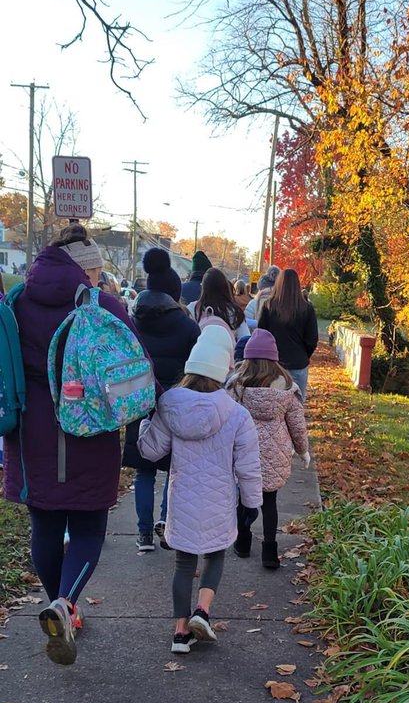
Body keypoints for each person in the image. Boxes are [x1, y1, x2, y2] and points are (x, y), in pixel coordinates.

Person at [2, 224, 152, 666]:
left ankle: (58, 604)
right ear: (87, 269)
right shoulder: (101, 305)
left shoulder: (15, 304)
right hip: (86, 430)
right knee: (88, 530)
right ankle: (65, 605)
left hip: (28, 436)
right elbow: (130, 361)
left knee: (44, 527)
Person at [138, 325, 262, 654]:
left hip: (182, 500)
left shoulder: (168, 406)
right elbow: (247, 467)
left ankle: (180, 633)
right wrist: (251, 504)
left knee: (183, 563)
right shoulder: (237, 415)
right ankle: (202, 612)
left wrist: (145, 422)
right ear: (225, 369)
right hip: (220, 500)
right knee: (216, 555)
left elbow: (150, 451)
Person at [123, 247, 200, 552]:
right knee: (173, 467)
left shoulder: (132, 323)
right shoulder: (188, 327)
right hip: (175, 403)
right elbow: (195, 369)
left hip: (139, 402)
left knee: (143, 471)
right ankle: (166, 522)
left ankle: (142, 535)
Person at [228, 328, 310, 570]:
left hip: (244, 451)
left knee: (244, 498)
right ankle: (270, 552)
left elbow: (226, 417)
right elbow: (297, 424)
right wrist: (303, 450)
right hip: (276, 452)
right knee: (270, 501)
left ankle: (242, 542)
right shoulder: (287, 387)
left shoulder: (237, 385)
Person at [258, 268, 318, 401]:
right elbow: (312, 340)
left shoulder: (269, 306)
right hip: (298, 362)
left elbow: (261, 334)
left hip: (273, 363)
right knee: (296, 408)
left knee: (273, 406)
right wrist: (303, 353)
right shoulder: (306, 308)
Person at [188, 267, 250, 342]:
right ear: (225, 287)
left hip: (198, 352)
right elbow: (245, 340)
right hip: (227, 352)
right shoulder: (235, 312)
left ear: (203, 288)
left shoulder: (193, 309)